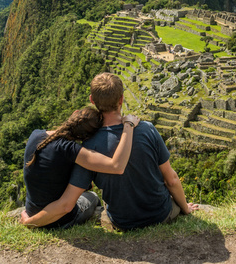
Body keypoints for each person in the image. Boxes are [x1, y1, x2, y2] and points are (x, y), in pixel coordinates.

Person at [51, 72, 198, 231]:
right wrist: (185, 208)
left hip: (123, 221)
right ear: (121, 99)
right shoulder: (147, 129)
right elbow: (171, 179)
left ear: (92, 100)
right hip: (160, 215)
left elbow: (75, 192)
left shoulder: (88, 145)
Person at [20, 106, 139, 229]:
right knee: (92, 196)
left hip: (31, 211)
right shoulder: (71, 150)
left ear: (75, 113)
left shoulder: (36, 134)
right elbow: (116, 166)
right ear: (88, 137)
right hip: (58, 220)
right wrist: (128, 125)